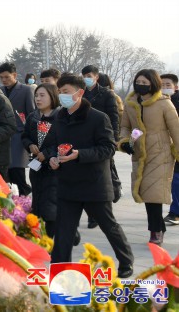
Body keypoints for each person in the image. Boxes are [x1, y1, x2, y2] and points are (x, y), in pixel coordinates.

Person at [47, 73, 133, 277]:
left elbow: (108, 148)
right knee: (63, 231)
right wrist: (52, 158)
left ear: (80, 93)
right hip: (68, 183)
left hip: (94, 184)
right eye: (60, 92)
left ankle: (126, 261)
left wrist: (80, 155)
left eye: (66, 92)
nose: (62, 96)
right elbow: (52, 145)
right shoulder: (59, 117)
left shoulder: (97, 118)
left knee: (108, 226)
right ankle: (59, 270)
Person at [117, 69, 179, 245]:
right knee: (145, 192)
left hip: (161, 152)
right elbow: (125, 127)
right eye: (139, 82)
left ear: (153, 83)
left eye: (145, 83)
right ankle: (158, 226)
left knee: (154, 194)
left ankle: (155, 231)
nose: (141, 86)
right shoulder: (130, 103)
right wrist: (124, 141)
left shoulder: (164, 104)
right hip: (139, 152)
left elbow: (176, 129)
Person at [81, 64, 123, 228]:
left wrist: (114, 139)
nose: (87, 78)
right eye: (84, 75)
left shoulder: (106, 94)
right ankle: (92, 216)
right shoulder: (81, 93)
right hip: (85, 140)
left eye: (89, 75)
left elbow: (114, 118)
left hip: (103, 139)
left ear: (97, 76)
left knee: (103, 176)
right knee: (87, 177)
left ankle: (106, 211)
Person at [22, 83, 63, 239]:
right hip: (36, 167)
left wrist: (47, 153)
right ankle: (42, 238)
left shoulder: (60, 117)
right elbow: (24, 136)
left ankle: (52, 241)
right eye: (36, 95)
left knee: (51, 205)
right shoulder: (33, 117)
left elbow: (63, 141)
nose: (38, 99)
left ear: (53, 96)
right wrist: (30, 145)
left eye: (42, 95)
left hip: (53, 169)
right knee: (38, 203)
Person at [0, 62, 36, 196]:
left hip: (19, 136)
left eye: (7, 77)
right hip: (2, 138)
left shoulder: (26, 90)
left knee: (17, 172)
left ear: (14, 75)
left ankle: (24, 197)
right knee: (5, 174)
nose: (4, 80)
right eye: (1, 77)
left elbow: (32, 113)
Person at [161, 73, 179, 226]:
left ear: (176, 87)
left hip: (177, 147)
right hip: (162, 148)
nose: (165, 88)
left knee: (176, 180)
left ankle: (175, 212)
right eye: (162, 85)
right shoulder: (156, 103)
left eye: (168, 85)